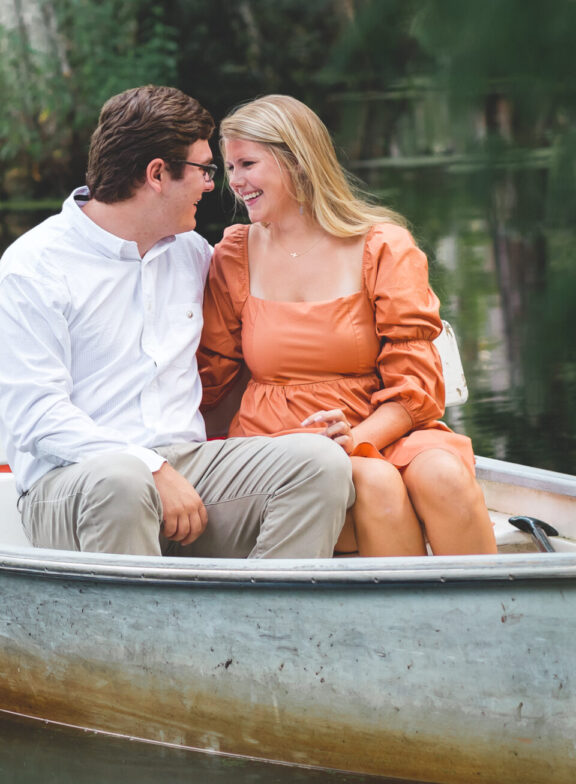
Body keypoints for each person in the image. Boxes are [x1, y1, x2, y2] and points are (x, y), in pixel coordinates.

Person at [0, 85, 354, 558]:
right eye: (204, 170)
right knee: (122, 481)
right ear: (157, 174)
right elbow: (36, 418)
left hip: (189, 470)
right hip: (75, 483)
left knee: (319, 463)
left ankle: (261, 622)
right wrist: (150, 467)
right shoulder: (35, 267)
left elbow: (262, 344)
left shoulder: (193, 255)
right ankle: (136, 633)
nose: (212, 185)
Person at [198, 95, 497, 557]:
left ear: (297, 161)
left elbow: (415, 383)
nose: (234, 182)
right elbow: (209, 377)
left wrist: (357, 439)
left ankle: (496, 616)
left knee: (445, 476)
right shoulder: (234, 255)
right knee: (374, 481)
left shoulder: (382, 247)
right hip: (280, 440)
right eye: (229, 167)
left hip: (383, 425)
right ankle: (403, 627)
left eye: (247, 164)